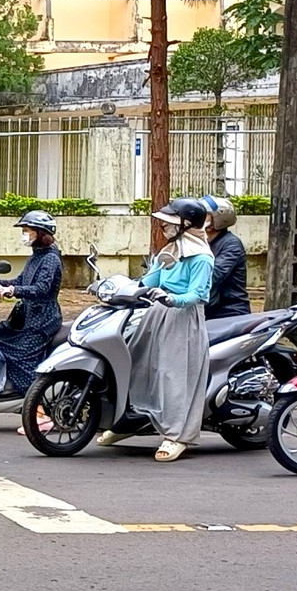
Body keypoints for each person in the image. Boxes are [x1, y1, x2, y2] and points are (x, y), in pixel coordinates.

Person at [98, 198, 214, 462]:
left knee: (172, 376)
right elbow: (149, 281)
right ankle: (133, 421)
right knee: (137, 365)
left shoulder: (202, 258)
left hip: (182, 318)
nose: (164, 226)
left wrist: (172, 298)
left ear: (186, 225)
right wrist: (117, 287)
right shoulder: (170, 251)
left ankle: (176, 435)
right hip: (156, 314)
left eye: (170, 222)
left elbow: (197, 294)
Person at [0, 211, 63, 435]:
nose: (24, 234)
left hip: (42, 320)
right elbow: (21, 281)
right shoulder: (37, 255)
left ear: (40, 233)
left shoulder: (50, 258)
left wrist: (13, 290)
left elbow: (41, 289)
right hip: (27, 316)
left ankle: (40, 414)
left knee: (19, 358)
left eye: (27, 230)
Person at [198, 194, 250, 320]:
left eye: (204, 215)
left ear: (218, 219)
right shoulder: (201, 242)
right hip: (207, 311)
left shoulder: (231, 244)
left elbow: (214, 275)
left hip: (229, 312)